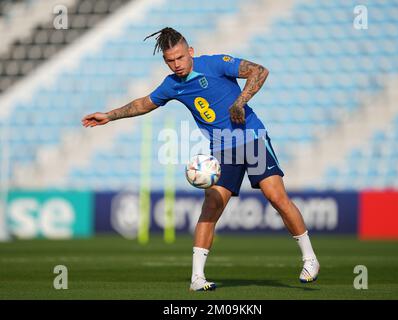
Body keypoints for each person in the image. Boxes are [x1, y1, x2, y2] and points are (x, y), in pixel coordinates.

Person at [82, 27, 320, 291]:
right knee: (211, 208)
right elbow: (143, 104)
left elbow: (259, 71)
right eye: (171, 61)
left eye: (181, 58)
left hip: (253, 138)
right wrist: (110, 115)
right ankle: (197, 278)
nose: (177, 64)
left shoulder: (215, 64)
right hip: (222, 150)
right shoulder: (172, 84)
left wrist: (240, 101)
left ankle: (310, 259)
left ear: (190, 52)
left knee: (276, 197)